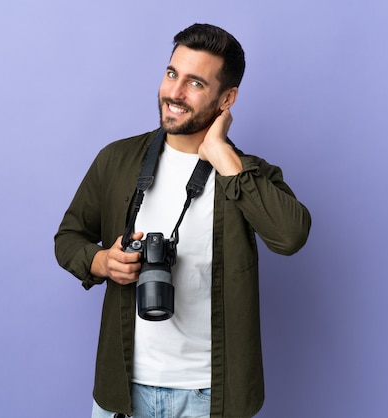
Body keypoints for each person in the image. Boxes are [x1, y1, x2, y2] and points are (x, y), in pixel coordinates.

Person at [55, 23, 311, 418]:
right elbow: (68, 237)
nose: (174, 93)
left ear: (227, 98)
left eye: (194, 83)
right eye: (172, 74)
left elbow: (291, 236)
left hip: (213, 397)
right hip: (123, 392)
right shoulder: (117, 160)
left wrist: (223, 156)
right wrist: (102, 261)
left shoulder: (247, 175)